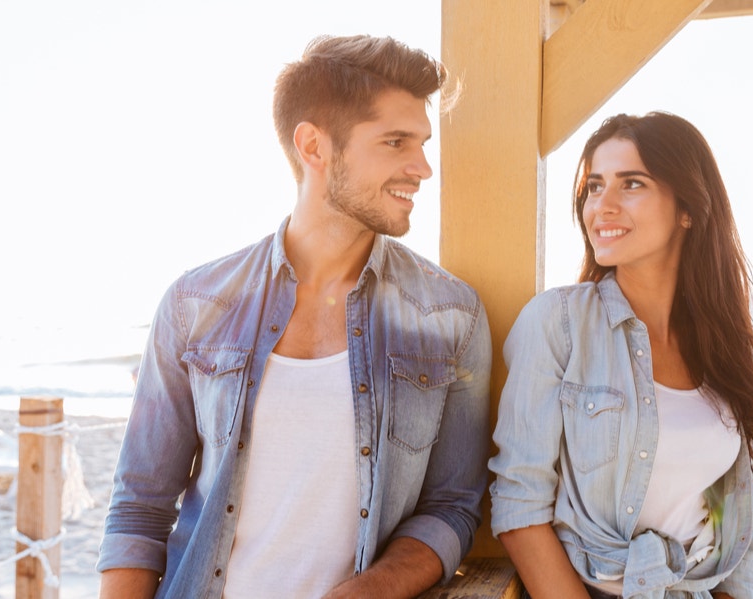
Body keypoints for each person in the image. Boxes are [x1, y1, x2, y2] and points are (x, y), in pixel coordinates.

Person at [97, 35, 492, 599]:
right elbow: (139, 506)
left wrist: (371, 589)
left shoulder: (450, 314)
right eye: (396, 142)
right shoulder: (196, 304)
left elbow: (451, 507)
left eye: (423, 144)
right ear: (314, 146)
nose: (422, 167)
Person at [488, 112, 753, 599]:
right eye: (594, 186)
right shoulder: (558, 323)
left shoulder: (722, 344)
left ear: (687, 207)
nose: (602, 205)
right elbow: (520, 508)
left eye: (632, 184)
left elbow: (737, 526)